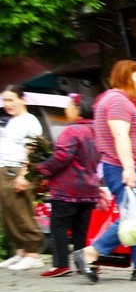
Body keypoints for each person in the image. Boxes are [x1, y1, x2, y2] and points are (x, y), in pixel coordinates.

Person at [73, 60, 136, 282]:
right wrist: (129, 168)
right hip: (124, 167)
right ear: (125, 76)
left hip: (130, 167)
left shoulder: (115, 100)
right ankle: (91, 253)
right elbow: (120, 135)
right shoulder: (117, 100)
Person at [35, 94, 100, 278]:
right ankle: (83, 263)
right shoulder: (97, 131)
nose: (66, 110)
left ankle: (61, 264)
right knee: (81, 229)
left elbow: (62, 157)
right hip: (90, 188)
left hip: (68, 188)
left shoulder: (72, 131)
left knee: (59, 225)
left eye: (69, 106)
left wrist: (42, 168)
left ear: (78, 110)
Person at [0, 84, 46, 271]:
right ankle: (21, 252)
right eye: (4, 100)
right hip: (5, 169)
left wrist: (24, 175)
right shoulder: (12, 121)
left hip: (18, 170)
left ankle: (33, 254)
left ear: (22, 99)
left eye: (11, 100)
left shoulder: (30, 121)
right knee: (8, 213)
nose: (7, 104)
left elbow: (32, 150)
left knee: (21, 212)